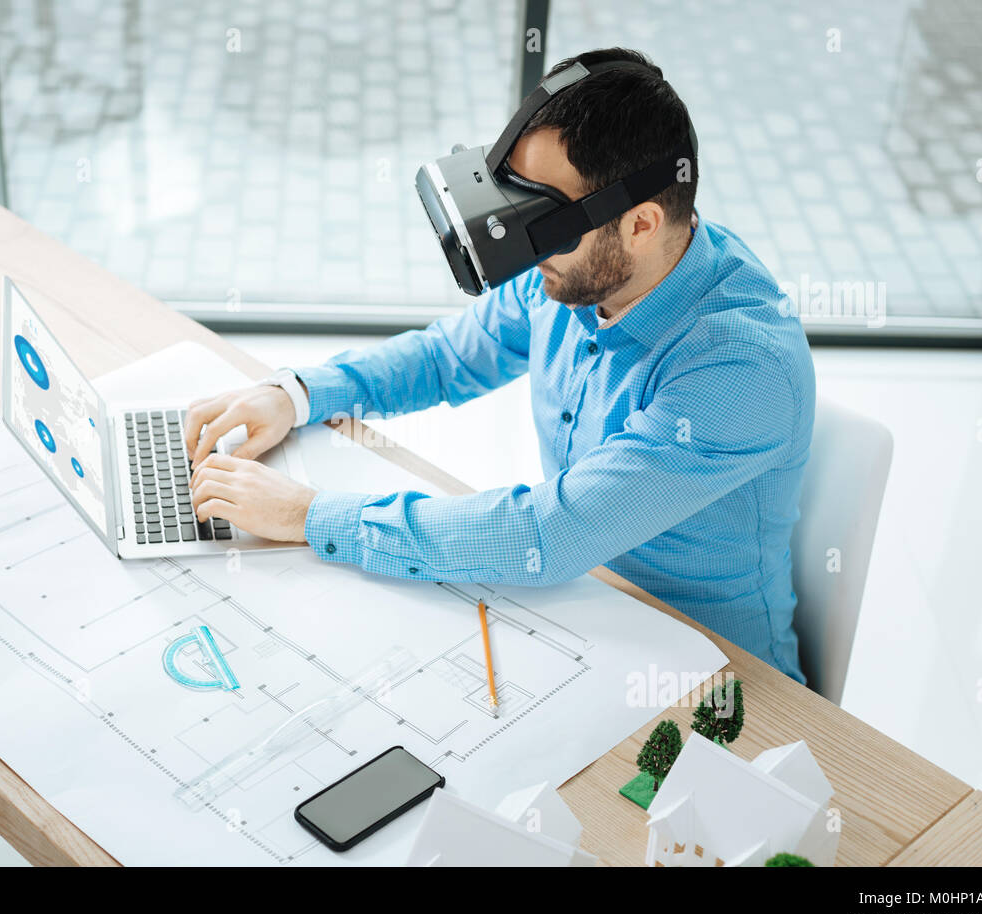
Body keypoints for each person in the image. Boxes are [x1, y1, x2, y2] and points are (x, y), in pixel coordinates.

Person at [184, 48, 816, 683]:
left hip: (711, 677)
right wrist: (296, 395)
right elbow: (445, 358)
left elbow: (547, 534)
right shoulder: (580, 270)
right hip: (580, 612)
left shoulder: (742, 369)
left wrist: (307, 515)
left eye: (546, 224)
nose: (522, 244)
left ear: (641, 225)